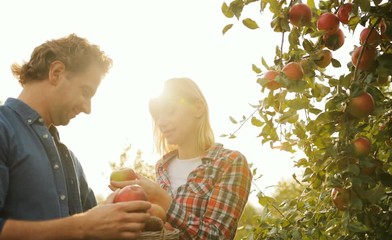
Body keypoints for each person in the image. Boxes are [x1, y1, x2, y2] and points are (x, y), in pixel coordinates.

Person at [0, 34, 151, 240]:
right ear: (57, 72)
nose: (88, 109)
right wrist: (82, 226)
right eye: (86, 92)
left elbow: (91, 227)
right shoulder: (3, 128)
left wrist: (113, 216)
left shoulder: (70, 160)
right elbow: (83, 227)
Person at [111, 78, 253, 239]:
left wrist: (166, 203)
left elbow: (217, 236)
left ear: (198, 108)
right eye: (158, 116)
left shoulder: (230, 162)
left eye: (170, 111)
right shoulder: (162, 167)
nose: (161, 122)